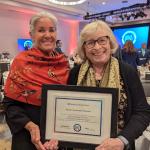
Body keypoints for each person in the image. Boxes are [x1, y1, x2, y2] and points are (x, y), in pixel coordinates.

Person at [67, 20, 150, 150]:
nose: (97, 47)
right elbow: (68, 110)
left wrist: (122, 140)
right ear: (83, 47)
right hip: (82, 145)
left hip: (119, 146)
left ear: (110, 43)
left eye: (101, 40)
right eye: (90, 42)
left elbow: (142, 112)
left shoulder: (127, 71)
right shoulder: (75, 73)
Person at [3, 11, 69, 150]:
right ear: (31, 34)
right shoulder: (20, 62)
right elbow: (10, 104)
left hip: (58, 135)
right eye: (41, 30)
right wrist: (29, 125)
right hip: (27, 135)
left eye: (52, 30)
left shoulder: (63, 63)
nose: (47, 35)